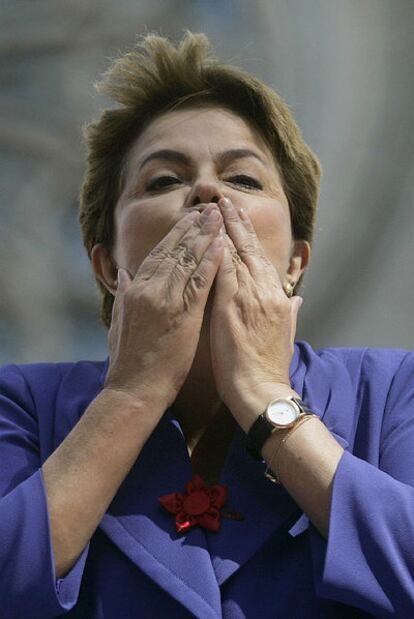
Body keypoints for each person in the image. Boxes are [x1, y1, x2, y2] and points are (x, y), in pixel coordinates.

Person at [0, 31, 413, 619]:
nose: (207, 190)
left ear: (297, 261)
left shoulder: (392, 391)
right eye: (163, 181)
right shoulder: (24, 405)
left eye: (243, 179)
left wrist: (269, 399)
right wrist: (130, 395)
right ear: (109, 265)